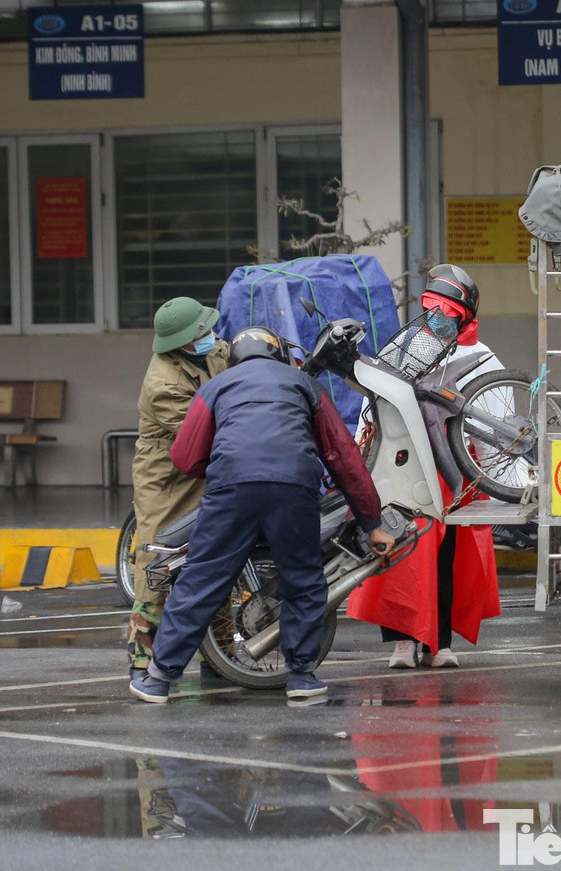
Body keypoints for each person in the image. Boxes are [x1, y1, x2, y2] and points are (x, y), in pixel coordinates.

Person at [129, 326, 393, 703]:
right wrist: (372, 523)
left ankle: (157, 679)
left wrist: (227, 465)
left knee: (201, 579)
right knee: (302, 578)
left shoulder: (216, 387)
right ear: (279, 354)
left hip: (230, 491)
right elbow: (343, 458)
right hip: (293, 489)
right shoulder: (304, 384)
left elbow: (185, 458)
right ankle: (301, 677)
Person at [347, 264, 502, 670]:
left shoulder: (480, 357)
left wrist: (489, 476)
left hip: (452, 467)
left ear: (465, 314)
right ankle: (401, 642)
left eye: (448, 312)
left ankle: (441, 644)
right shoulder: (406, 346)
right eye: (433, 309)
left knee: (447, 555)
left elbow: (496, 414)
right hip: (401, 464)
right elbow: (374, 401)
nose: (439, 318)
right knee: (399, 555)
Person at [127, 297, 229, 681]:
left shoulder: (214, 350)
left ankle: (222, 656)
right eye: (201, 332)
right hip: (167, 475)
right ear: (183, 343)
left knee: (218, 557)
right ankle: (142, 659)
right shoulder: (163, 383)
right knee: (155, 564)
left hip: (211, 465)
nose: (211, 336)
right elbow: (199, 433)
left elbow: (237, 362)